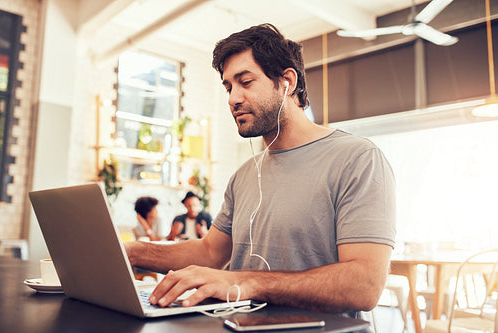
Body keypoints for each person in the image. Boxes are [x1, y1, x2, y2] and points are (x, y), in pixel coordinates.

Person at [125, 23, 396, 318]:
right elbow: (210, 253)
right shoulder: (243, 175)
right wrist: (135, 252)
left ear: (286, 81)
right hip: (238, 325)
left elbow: (364, 285)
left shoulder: (357, 159)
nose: (232, 98)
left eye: (245, 82)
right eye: (228, 87)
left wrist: (245, 282)